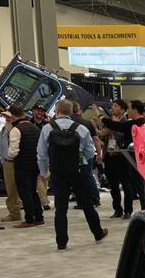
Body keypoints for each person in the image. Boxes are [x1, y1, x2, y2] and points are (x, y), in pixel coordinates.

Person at [37, 99, 107, 250]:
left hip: (58, 173)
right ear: (71, 112)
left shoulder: (47, 128)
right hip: (78, 172)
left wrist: (44, 173)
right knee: (87, 204)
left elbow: (41, 154)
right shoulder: (81, 128)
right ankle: (98, 233)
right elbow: (90, 152)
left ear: (56, 111)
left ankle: (61, 242)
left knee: (60, 208)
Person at [6, 104, 44, 228]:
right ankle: (39, 217)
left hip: (22, 165)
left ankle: (29, 219)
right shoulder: (35, 128)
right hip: (35, 164)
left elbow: (13, 151)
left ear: (12, 115)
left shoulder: (16, 130)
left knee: (25, 192)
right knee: (33, 191)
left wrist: (9, 156)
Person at [100, 99, 135, 219]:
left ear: (122, 109)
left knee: (126, 184)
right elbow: (102, 133)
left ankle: (128, 210)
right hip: (109, 156)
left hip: (122, 156)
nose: (112, 108)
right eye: (112, 106)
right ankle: (117, 209)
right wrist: (112, 127)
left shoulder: (127, 123)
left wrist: (115, 127)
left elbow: (122, 136)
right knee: (113, 185)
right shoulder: (108, 121)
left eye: (115, 106)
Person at [71, 101, 102, 208]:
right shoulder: (87, 122)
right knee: (89, 176)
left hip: (73, 154)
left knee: (77, 179)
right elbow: (96, 139)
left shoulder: (67, 123)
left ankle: (82, 201)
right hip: (88, 154)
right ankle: (95, 199)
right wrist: (99, 154)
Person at [0, 111, 22, 222]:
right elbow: (2, 146)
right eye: (5, 116)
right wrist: (3, 159)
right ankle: (14, 213)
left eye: (8, 116)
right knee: (11, 189)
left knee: (16, 189)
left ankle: (16, 213)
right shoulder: (4, 129)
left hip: (16, 161)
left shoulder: (17, 129)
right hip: (7, 162)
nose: (6, 118)